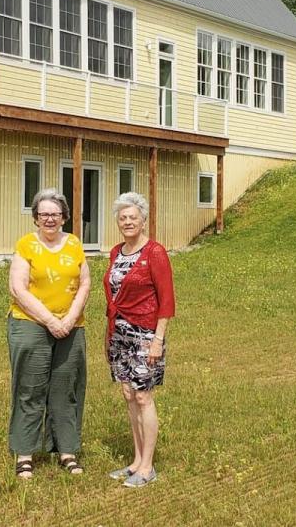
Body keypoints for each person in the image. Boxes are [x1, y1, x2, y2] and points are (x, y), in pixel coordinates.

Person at [7, 188, 91, 479]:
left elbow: (84, 284)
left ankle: (67, 451)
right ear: (35, 218)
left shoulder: (75, 244)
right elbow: (18, 289)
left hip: (71, 325)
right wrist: (50, 321)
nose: (50, 219)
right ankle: (25, 453)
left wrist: (68, 319)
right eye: (43, 214)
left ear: (64, 217)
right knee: (30, 389)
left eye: (55, 214)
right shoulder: (26, 245)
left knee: (66, 389)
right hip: (31, 324)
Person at [103, 191, 175, 488]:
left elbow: (167, 300)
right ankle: (135, 460)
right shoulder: (116, 252)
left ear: (143, 221)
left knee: (144, 396)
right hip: (119, 334)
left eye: (133, 217)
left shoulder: (154, 252)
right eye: (123, 218)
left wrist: (158, 340)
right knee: (128, 395)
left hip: (145, 333)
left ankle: (148, 467)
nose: (128, 222)